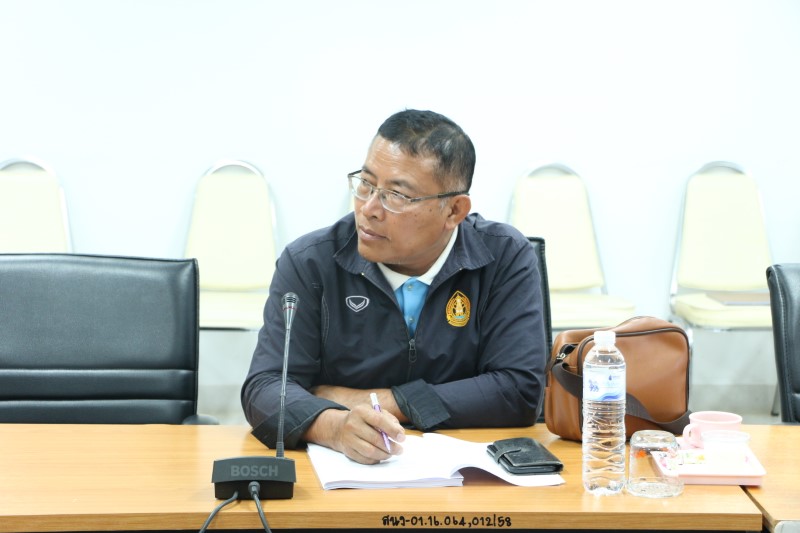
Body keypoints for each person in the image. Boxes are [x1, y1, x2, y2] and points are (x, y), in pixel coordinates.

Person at [241, 109, 548, 465]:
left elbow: (519, 391)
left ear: (454, 211)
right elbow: (266, 387)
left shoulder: (503, 256)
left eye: (397, 195)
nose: (369, 209)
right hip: (344, 471)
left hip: (469, 473)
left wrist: (376, 402)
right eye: (366, 184)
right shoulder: (311, 262)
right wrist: (335, 427)